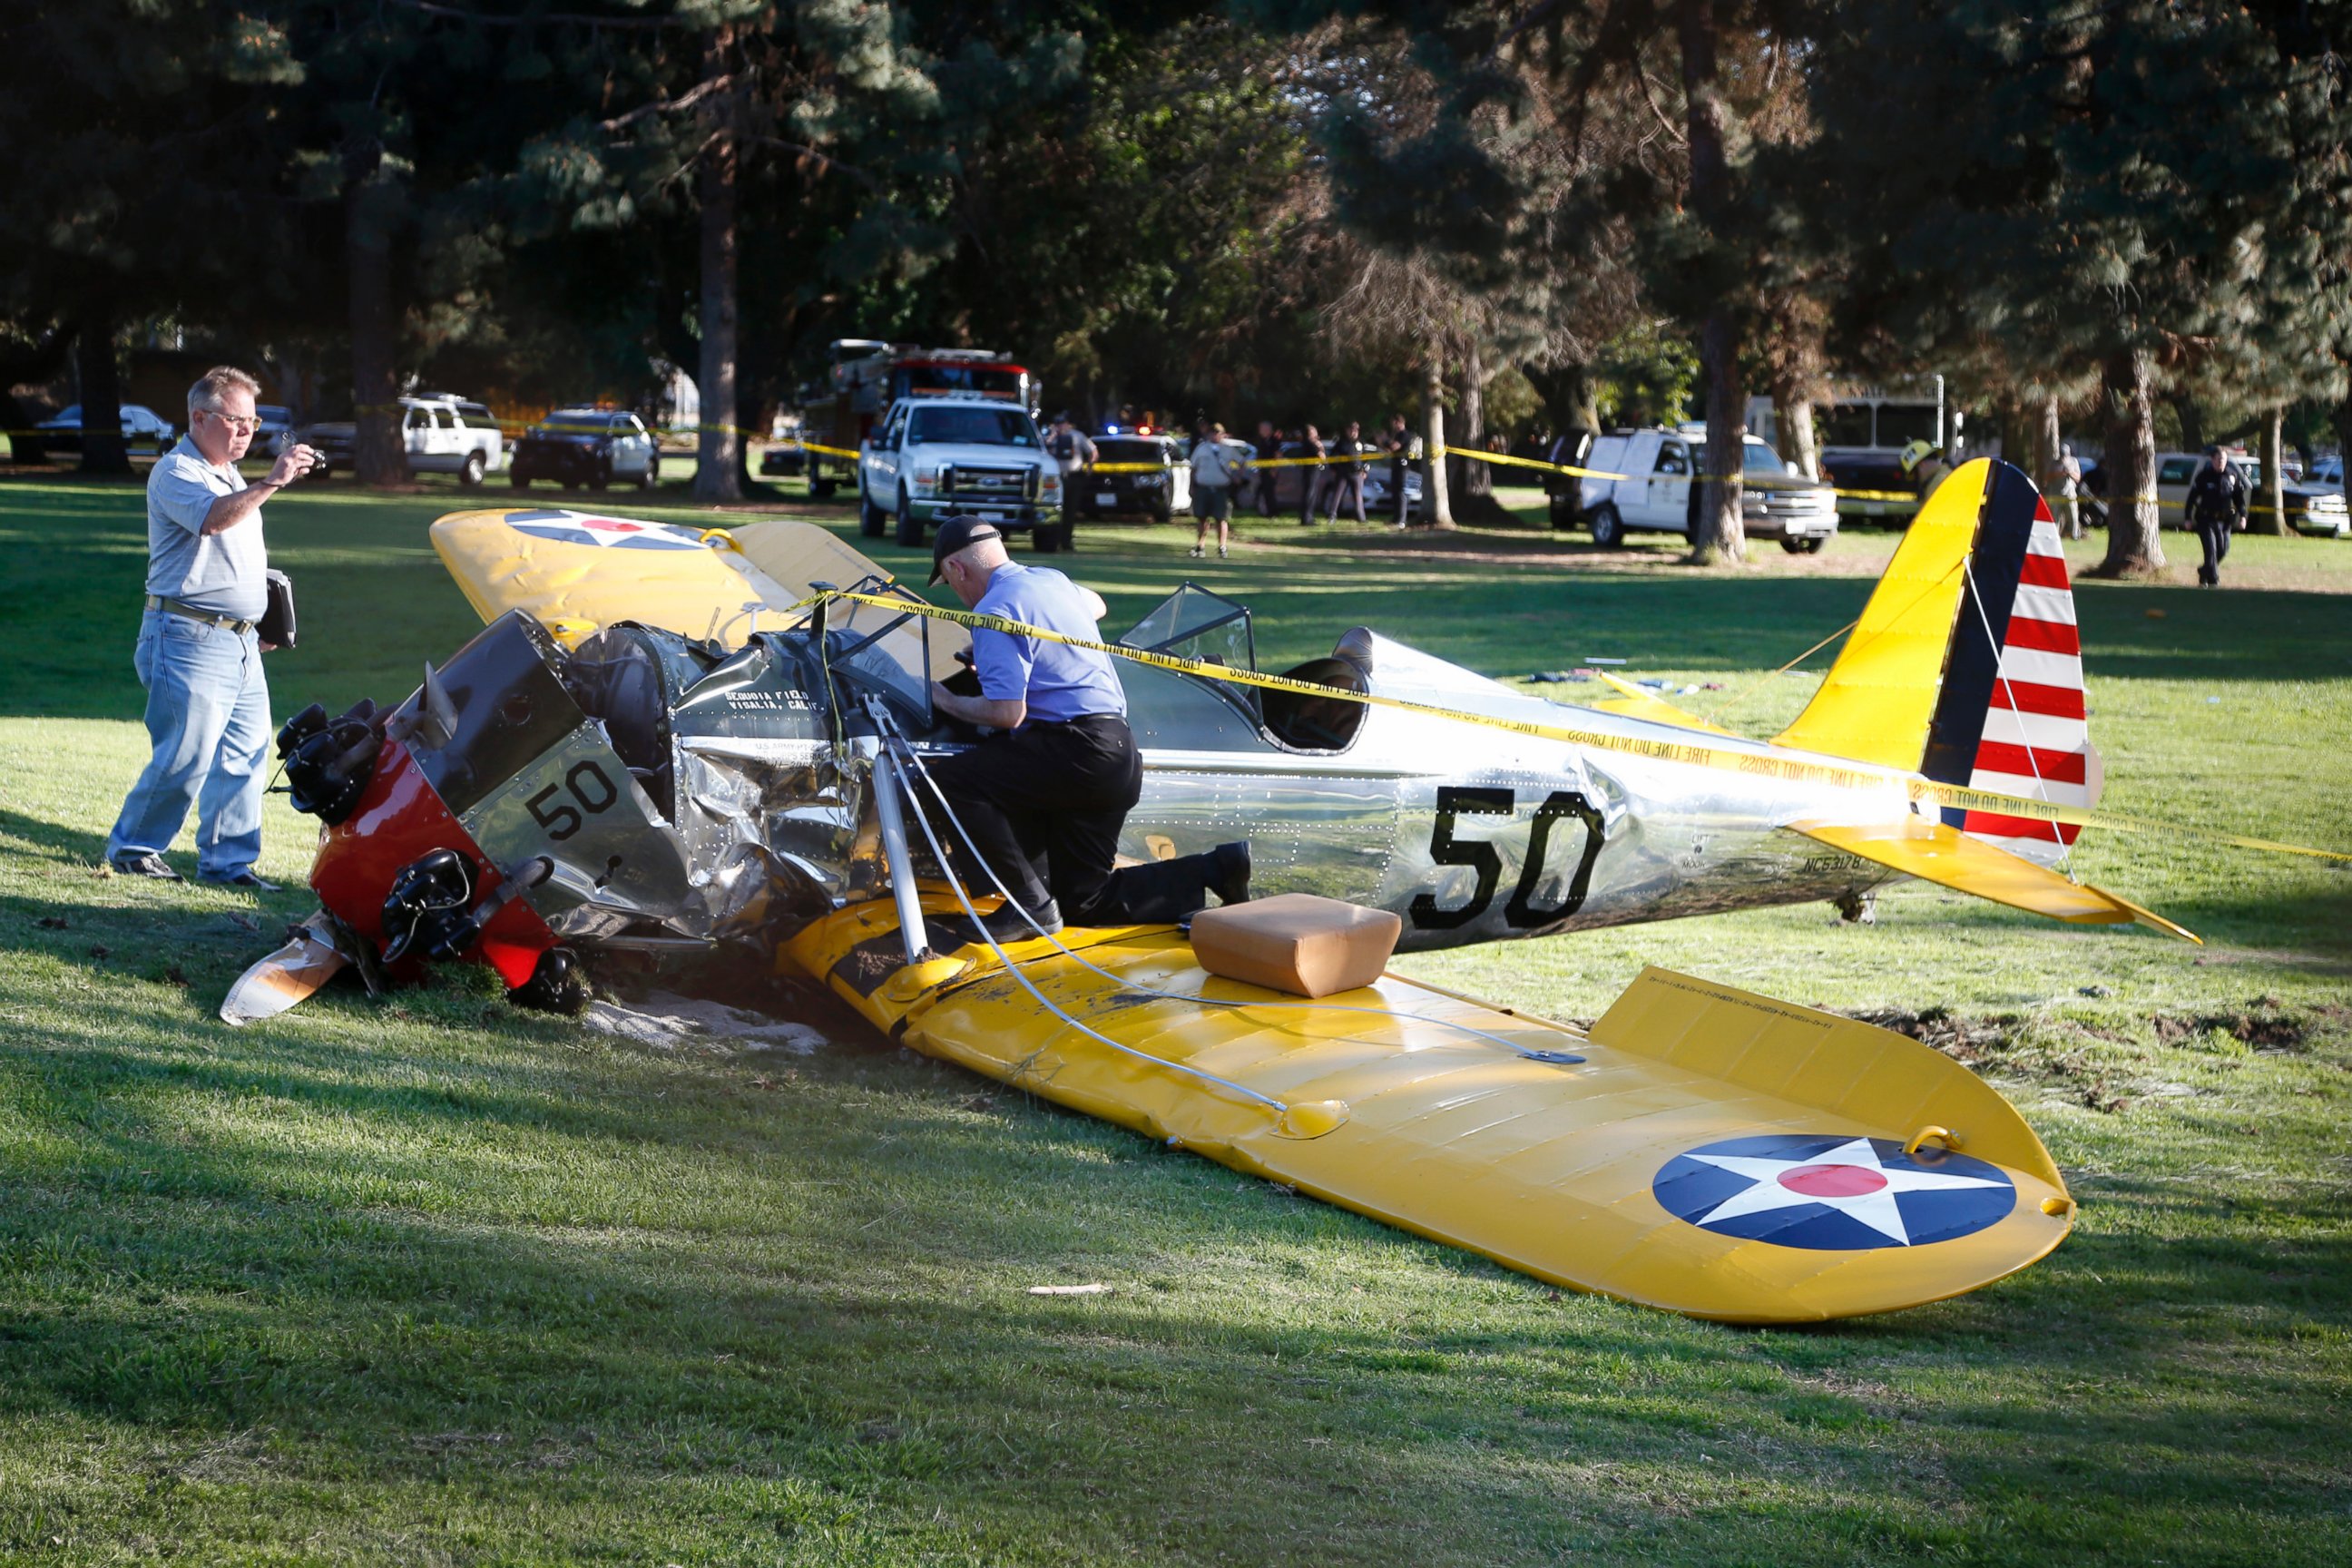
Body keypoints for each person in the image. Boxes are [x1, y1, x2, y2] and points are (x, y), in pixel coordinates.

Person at [923, 517, 1250, 941]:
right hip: (1119, 754)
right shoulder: (1051, 581)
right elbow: (1096, 604)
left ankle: (1027, 905)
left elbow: (1008, 714)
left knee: (949, 781)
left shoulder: (992, 612)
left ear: (957, 569)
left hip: (1076, 752)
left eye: (950, 584)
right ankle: (1215, 869)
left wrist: (944, 698)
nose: (958, 595)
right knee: (1082, 902)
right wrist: (1014, 649)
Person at [105, 367, 319, 887]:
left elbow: (234, 552)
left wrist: (260, 620)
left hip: (240, 641)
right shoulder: (176, 470)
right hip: (186, 635)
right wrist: (273, 481)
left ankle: (228, 864)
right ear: (198, 418)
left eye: (252, 420)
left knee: (244, 756)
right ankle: (134, 848)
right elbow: (213, 521)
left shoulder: (228, 473)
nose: (247, 431)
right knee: (186, 751)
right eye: (234, 420)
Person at [2184, 444, 2247, 587]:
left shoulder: (2231, 475)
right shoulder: (2204, 476)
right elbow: (2192, 498)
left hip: (2224, 521)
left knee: (2223, 550)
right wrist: (2188, 518)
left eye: (2224, 459)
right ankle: (2214, 580)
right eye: (2218, 459)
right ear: (2212, 460)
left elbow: (2239, 498)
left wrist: (2243, 515)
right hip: (2206, 519)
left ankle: (2204, 572)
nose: (2221, 462)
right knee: (2211, 550)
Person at [1187, 421, 1247, 558]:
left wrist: (1238, 476)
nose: (1214, 435)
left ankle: (1222, 547)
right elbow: (1193, 469)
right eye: (1212, 433)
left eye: (1217, 433)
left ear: (1223, 434)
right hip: (1203, 487)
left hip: (1221, 489)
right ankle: (1200, 546)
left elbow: (1242, 462)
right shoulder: (1201, 448)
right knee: (1202, 518)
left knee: (1221, 519)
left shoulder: (1228, 449)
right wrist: (1191, 486)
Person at [1323, 419, 1369, 524]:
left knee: (1358, 496)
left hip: (1357, 473)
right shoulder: (1341, 442)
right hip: (1343, 473)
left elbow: (1366, 458)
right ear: (1347, 430)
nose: (1353, 432)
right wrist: (1334, 469)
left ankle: (1361, 517)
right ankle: (1332, 516)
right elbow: (1333, 457)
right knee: (1337, 495)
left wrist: (1365, 470)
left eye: (1356, 430)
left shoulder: (1361, 442)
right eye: (1351, 430)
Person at [1046, 412, 1097, 497]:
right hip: (1057, 476)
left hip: (1075, 476)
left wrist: (1090, 468)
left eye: (1063, 423)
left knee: (1073, 505)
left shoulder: (1078, 435)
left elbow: (1093, 452)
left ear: (1067, 423)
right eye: (1058, 424)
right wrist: (1052, 436)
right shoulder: (1051, 438)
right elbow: (1043, 452)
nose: (1061, 426)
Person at [1383, 414, 1413, 527]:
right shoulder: (1396, 435)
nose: (1392, 426)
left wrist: (1385, 440)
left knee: (1400, 492)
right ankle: (1395, 518)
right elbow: (1388, 450)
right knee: (1395, 492)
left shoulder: (1404, 434)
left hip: (1402, 466)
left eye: (1393, 423)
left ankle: (1402, 519)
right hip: (1395, 465)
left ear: (1398, 422)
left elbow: (1395, 447)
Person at [1295, 423, 1327, 524]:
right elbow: (1322, 456)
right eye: (1314, 431)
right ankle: (1307, 518)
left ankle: (1308, 517)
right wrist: (1320, 446)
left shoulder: (1306, 443)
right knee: (1310, 495)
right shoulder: (1311, 443)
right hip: (1311, 472)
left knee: (1309, 494)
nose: (1316, 433)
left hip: (1310, 471)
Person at [1252, 419, 1282, 516]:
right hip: (1263, 469)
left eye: (1262, 429)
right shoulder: (1262, 440)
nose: (1260, 430)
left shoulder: (1274, 440)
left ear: (1268, 429)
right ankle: (1268, 511)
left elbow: (1278, 455)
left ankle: (1273, 512)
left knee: (1270, 492)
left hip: (1271, 470)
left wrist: (1274, 469)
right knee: (1265, 492)